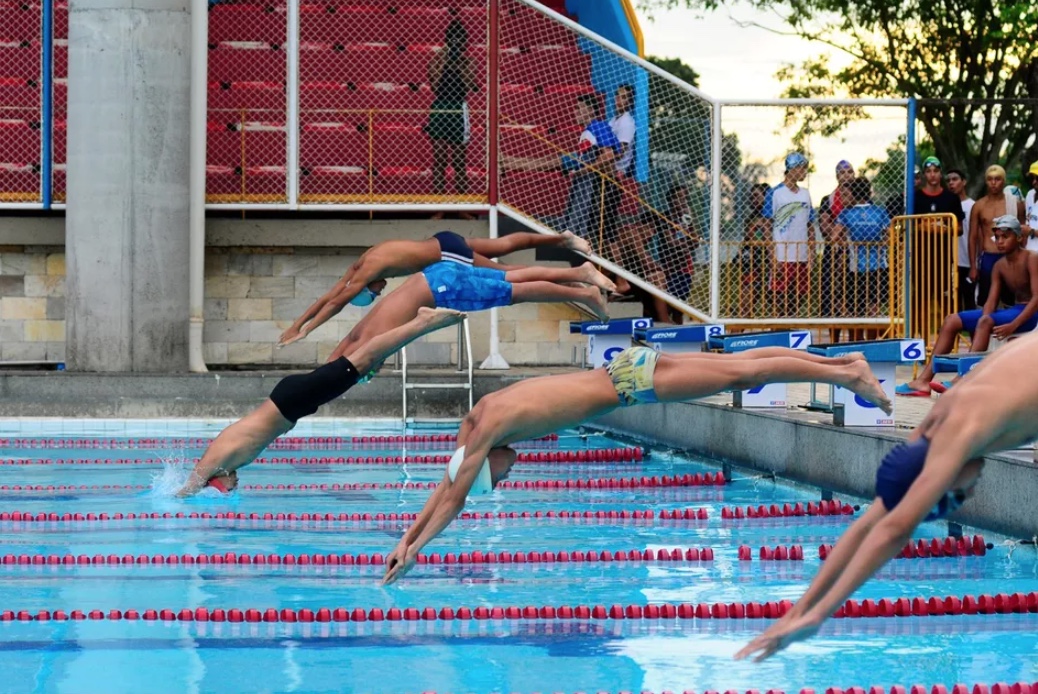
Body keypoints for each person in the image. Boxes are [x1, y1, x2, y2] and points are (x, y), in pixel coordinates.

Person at [380, 346, 891, 584]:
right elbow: (445, 486)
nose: (512, 474)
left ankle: (848, 377)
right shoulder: (475, 425)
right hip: (624, 363)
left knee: (743, 374)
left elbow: (454, 497)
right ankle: (844, 367)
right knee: (741, 366)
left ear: (488, 467)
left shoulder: (486, 437)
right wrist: (406, 537)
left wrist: (417, 548)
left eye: (502, 477)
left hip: (630, 383)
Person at [735, 328, 1038, 663]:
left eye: (956, 498)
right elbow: (870, 522)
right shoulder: (944, 418)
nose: (970, 492)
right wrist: (799, 612)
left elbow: (893, 530)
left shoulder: (964, 429)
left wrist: (821, 614)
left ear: (944, 478)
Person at [177, 307, 467, 496]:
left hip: (291, 400)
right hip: (293, 403)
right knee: (361, 366)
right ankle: (421, 322)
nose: (234, 487)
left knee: (361, 360)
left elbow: (188, 485)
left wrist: (184, 496)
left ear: (214, 483)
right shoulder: (232, 464)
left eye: (227, 489)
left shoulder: (214, 462)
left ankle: (423, 320)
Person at [277, 229, 595, 346]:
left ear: (362, 288)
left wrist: (309, 330)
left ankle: (576, 274)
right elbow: (329, 297)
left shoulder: (365, 274)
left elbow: (336, 304)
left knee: (508, 272)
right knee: (503, 244)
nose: (381, 290)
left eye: (374, 293)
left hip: (446, 254)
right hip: (442, 239)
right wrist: (298, 326)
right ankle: (563, 239)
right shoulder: (360, 264)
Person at [325, 252, 613, 366]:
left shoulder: (364, 348)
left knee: (517, 292)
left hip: (444, 290)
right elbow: (337, 356)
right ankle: (581, 273)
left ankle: (587, 293)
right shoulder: (357, 336)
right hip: (435, 274)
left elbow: (343, 365)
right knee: (511, 277)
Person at [899, 216, 1038, 397]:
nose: (1000, 241)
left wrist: (1013, 325)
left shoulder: (1031, 258)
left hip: (1030, 313)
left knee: (986, 320)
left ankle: (962, 379)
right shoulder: (999, 266)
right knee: (952, 320)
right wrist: (981, 320)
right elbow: (991, 301)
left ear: (1019, 238)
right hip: (1013, 310)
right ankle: (923, 381)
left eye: (1006, 237)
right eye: (997, 237)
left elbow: (1036, 298)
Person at [502, 93, 621, 251]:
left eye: (580, 109)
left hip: (605, 187)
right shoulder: (587, 131)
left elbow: (609, 155)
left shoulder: (599, 126)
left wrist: (582, 171)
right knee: (554, 160)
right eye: (575, 109)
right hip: (591, 179)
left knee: (605, 239)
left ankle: (618, 273)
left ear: (591, 110)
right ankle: (508, 161)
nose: (575, 112)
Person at [425, 19, 477, 209]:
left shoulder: (469, 61)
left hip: (458, 108)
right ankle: (438, 207)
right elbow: (435, 85)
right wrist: (445, 60)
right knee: (439, 158)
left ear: (464, 42)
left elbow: (470, 84)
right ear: (447, 41)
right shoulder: (437, 59)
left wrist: (459, 62)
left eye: (460, 39)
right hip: (440, 107)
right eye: (453, 39)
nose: (456, 43)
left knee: (459, 160)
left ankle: (462, 207)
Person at [833, 177, 890, 339]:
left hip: (856, 267)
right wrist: (881, 243)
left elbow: (834, 235)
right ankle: (871, 344)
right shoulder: (879, 212)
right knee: (874, 309)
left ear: (853, 193)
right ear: (869, 192)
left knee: (855, 310)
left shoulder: (846, 214)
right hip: (878, 267)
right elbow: (891, 234)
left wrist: (846, 242)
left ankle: (856, 342)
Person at [764, 152, 815, 318]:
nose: (805, 172)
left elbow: (810, 225)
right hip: (782, 255)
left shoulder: (805, 194)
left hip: (801, 256)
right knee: (779, 299)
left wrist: (811, 256)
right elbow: (767, 226)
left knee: (797, 299)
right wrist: (773, 258)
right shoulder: (776, 193)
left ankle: (790, 330)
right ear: (793, 168)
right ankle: (779, 332)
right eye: (802, 168)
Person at [968, 164, 1026, 308]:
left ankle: (1011, 329)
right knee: (985, 300)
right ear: (986, 181)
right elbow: (972, 236)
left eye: (997, 179)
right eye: (990, 179)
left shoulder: (1015, 204)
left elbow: (1022, 232)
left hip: (1009, 256)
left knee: (1010, 299)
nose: (993, 183)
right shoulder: (979, 206)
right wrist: (973, 267)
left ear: (1004, 181)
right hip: (988, 256)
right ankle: (982, 328)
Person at [601, 84, 637, 270]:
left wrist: (601, 160)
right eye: (617, 96)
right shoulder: (612, 120)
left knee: (607, 229)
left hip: (614, 178)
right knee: (600, 228)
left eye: (623, 97)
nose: (618, 100)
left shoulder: (626, 123)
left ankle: (620, 274)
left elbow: (620, 151)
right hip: (604, 175)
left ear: (630, 101)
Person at [818, 161, 856, 338]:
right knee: (833, 296)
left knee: (853, 296)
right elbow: (825, 228)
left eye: (850, 172)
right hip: (834, 252)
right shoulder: (828, 200)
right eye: (843, 172)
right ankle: (834, 340)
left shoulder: (861, 198)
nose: (847, 175)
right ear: (837, 176)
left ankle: (854, 338)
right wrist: (840, 233)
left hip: (854, 252)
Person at [738, 182, 772, 320]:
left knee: (777, 305)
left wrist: (764, 227)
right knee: (746, 305)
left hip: (769, 264)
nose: (753, 200)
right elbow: (749, 236)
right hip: (753, 265)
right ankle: (737, 336)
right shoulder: (751, 218)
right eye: (752, 197)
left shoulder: (773, 218)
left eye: (757, 196)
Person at [946, 168, 977, 310]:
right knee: (952, 303)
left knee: (969, 300)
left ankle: (973, 332)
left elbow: (977, 235)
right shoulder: (945, 206)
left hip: (967, 260)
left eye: (955, 179)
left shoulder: (973, 206)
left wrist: (975, 264)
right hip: (949, 260)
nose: (951, 183)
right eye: (948, 180)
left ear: (963, 182)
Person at [1023, 160, 1038, 252]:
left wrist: (1031, 232)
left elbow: (1029, 230)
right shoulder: (1030, 194)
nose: (1034, 182)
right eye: (1032, 178)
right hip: (1029, 251)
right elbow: (1028, 221)